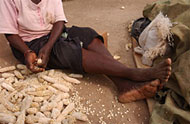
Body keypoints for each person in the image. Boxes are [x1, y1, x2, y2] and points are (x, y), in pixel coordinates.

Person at [0, 0, 172, 103]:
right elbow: (10, 33)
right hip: (29, 44)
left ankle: (123, 85)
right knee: (68, 50)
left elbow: (59, 21)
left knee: (88, 34)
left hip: (53, 35)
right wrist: (27, 52)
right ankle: (133, 74)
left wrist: (49, 45)